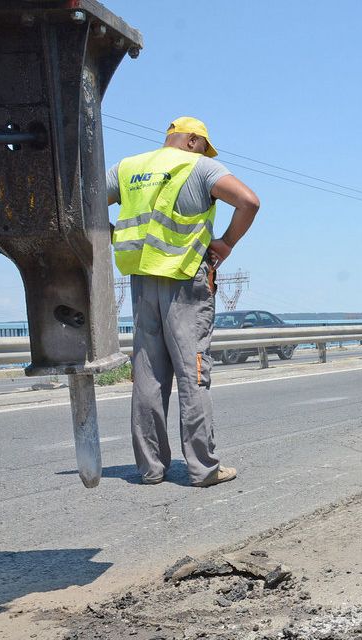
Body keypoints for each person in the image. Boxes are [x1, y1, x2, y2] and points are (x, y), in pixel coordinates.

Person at [107, 116, 260, 487]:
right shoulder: (201, 167)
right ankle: (203, 469)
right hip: (186, 281)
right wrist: (225, 244)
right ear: (192, 140)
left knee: (148, 374)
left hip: (141, 280)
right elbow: (249, 201)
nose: (204, 153)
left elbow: (82, 204)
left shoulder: (127, 169)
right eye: (203, 146)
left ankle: (151, 469)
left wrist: (114, 235)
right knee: (193, 376)